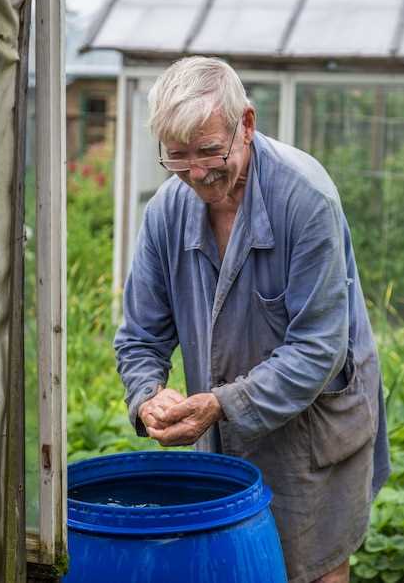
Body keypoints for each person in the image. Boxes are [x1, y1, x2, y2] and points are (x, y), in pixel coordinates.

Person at [113, 57, 390, 583]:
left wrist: (222, 403)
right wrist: (148, 393)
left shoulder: (304, 198)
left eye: (209, 151)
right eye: (177, 157)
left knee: (312, 566)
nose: (196, 172)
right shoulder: (166, 213)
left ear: (246, 124)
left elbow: (318, 348)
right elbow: (140, 335)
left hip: (314, 428)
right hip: (220, 431)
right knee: (229, 566)